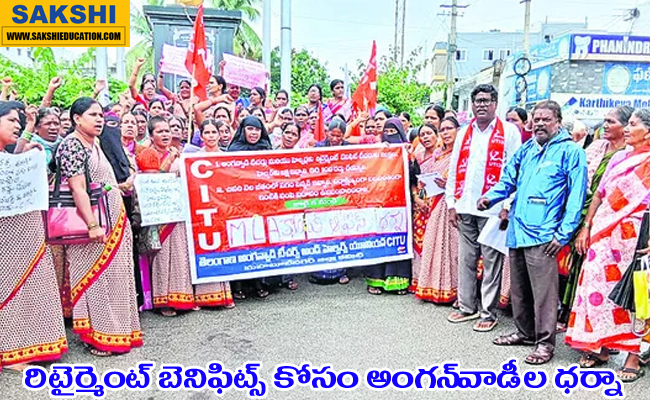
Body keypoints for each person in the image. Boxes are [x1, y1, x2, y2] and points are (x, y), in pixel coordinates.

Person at [478, 100, 588, 365]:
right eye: (536, 119)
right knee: (520, 289)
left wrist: (562, 234)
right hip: (517, 231)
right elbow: (508, 179)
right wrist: (490, 198)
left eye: (545, 119)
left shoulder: (571, 152)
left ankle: (545, 343)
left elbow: (576, 197)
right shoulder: (527, 149)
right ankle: (525, 332)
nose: (539, 124)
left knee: (544, 294)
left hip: (545, 235)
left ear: (558, 122)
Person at [565, 109, 650, 382]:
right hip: (604, 235)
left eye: (633, 125)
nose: (627, 129)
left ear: (647, 132)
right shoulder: (618, 159)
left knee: (637, 296)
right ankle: (599, 346)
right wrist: (588, 227)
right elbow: (600, 195)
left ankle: (633, 354)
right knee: (597, 289)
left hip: (638, 237)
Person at [56, 97, 142, 356]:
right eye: (92, 115)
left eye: (101, 115)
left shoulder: (95, 144)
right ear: (76, 118)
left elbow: (101, 182)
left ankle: (117, 330)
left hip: (114, 217)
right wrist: (92, 224)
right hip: (91, 223)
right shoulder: (72, 145)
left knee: (116, 275)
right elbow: (77, 188)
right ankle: (97, 335)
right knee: (95, 277)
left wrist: (120, 186)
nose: (99, 119)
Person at [445, 84, 522, 332]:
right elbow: (455, 167)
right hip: (465, 204)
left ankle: (488, 313)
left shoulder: (509, 132)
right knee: (466, 259)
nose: (481, 104)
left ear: (495, 104)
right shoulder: (464, 132)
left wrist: (507, 205)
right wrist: (451, 203)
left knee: (491, 262)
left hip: (493, 208)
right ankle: (466, 307)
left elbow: (514, 171)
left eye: (486, 101)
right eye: (477, 100)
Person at [0, 102, 68, 372]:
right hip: (7, 240)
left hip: (24, 237)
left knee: (28, 288)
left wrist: (25, 153)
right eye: (11, 120)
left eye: (20, 121)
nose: (17, 125)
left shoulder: (9, 156)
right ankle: (10, 352)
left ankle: (28, 344)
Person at [558, 106, 634, 332]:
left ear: (625, 126)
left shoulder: (631, 155)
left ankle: (605, 327)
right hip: (587, 212)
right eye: (605, 121)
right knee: (576, 266)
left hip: (617, 223)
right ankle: (571, 316)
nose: (606, 125)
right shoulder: (598, 147)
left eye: (611, 121)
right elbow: (585, 181)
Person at [412, 118, 460, 303]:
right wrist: (420, 197)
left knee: (453, 250)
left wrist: (449, 185)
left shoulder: (463, 153)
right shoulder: (438, 154)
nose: (446, 133)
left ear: (458, 130)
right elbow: (423, 181)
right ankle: (434, 286)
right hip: (434, 203)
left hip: (453, 205)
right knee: (435, 246)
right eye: (443, 130)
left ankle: (454, 290)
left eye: (449, 129)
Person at [363, 118, 412, 295]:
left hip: (401, 204)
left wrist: (408, 156)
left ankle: (399, 282)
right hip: (379, 204)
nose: (390, 136)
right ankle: (375, 281)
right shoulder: (376, 150)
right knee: (378, 243)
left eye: (394, 132)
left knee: (398, 242)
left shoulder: (408, 151)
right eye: (387, 132)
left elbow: (414, 177)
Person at [228, 116, 273, 298]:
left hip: (260, 202)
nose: (254, 133)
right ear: (243, 130)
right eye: (250, 129)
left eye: (257, 129)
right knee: (241, 241)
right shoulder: (233, 150)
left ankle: (259, 283)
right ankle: (238, 285)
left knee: (259, 241)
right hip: (239, 202)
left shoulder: (267, 149)